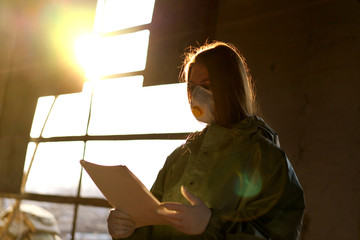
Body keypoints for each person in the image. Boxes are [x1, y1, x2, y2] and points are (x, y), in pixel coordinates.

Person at [107, 41, 305, 240]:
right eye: (191, 86)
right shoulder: (180, 157)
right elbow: (153, 221)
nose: (196, 95)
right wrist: (129, 229)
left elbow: (278, 233)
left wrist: (213, 224)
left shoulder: (266, 158)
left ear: (231, 87)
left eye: (207, 86)